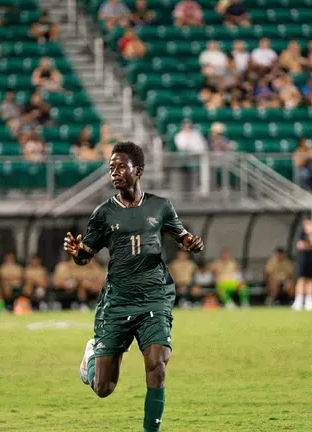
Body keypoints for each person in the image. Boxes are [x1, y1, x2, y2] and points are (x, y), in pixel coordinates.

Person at [65, 142, 204, 432]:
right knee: (104, 387)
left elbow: (183, 237)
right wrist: (76, 251)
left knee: (158, 361)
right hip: (118, 301)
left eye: (121, 167)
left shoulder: (160, 206)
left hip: (154, 295)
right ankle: (91, 357)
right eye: (111, 168)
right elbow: (85, 256)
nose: (114, 172)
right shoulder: (103, 213)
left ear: (137, 171)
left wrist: (191, 243)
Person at [293, 218, 312, 311]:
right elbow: (300, 245)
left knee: (311, 280)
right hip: (303, 260)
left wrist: (311, 234)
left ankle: (309, 300)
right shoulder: (301, 233)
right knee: (301, 280)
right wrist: (309, 246)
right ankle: (299, 300)